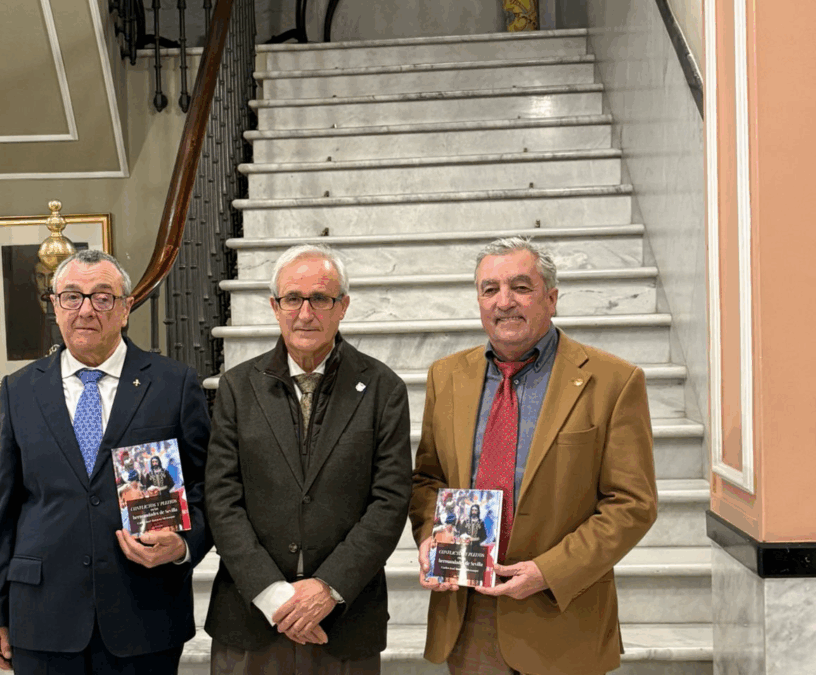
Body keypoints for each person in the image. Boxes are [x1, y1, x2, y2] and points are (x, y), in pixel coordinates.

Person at [409, 236, 657, 675]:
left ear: (552, 298)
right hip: (470, 617)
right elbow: (429, 478)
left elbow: (632, 504)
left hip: (562, 614)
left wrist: (549, 571)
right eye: (490, 289)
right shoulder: (445, 377)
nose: (504, 302)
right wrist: (432, 536)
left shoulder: (614, 381)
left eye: (521, 287)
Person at [0, 249, 211, 675]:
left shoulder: (174, 384)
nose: (85, 309)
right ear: (54, 305)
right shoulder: (21, 389)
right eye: (72, 296)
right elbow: (5, 505)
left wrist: (184, 547)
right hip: (42, 615)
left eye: (102, 297)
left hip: (144, 613)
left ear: (125, 309)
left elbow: (207, 489)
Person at [205, 244, 412, 674]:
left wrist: (327, 588)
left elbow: (389, 502)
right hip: (251, 621)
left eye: (320, 298)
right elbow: (222, 499)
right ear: (274, 306)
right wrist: (275, 596)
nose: (305, 313)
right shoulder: (237, 387)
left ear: (343, 307)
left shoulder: (382, 388)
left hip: (345, 621)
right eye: (292, 299)